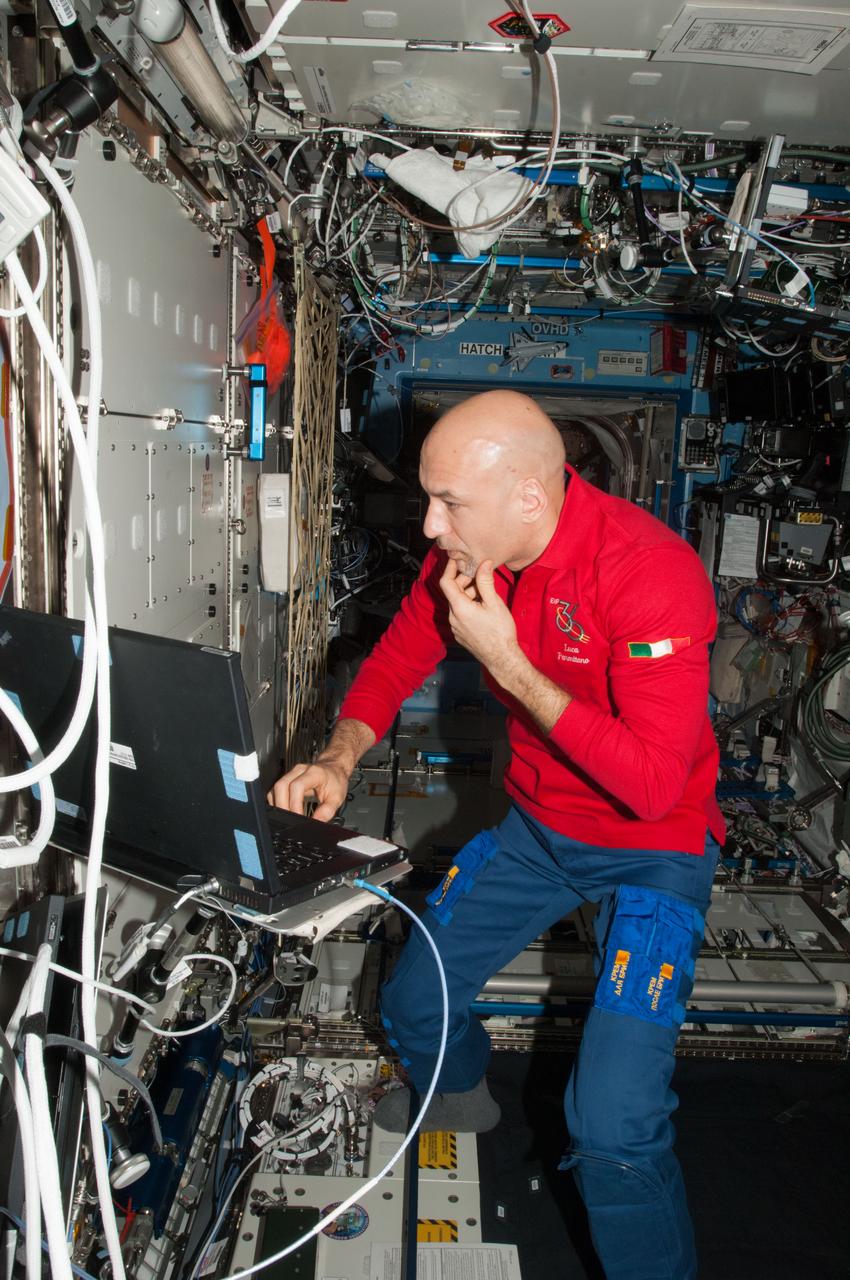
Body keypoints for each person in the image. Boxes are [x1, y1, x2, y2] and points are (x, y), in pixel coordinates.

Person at [270, 389, 724, 1280]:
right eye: (428, 499)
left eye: (449, 503)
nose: (431, 525)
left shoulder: (648, 573)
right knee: (412, 1002)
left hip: (657, 849)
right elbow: (401, 653)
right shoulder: (477, 556)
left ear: (529, 496)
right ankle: (461, 1098)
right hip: (541, 830)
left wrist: (506, 659)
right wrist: (339, 755)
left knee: (611, 1128)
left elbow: (650, 785)